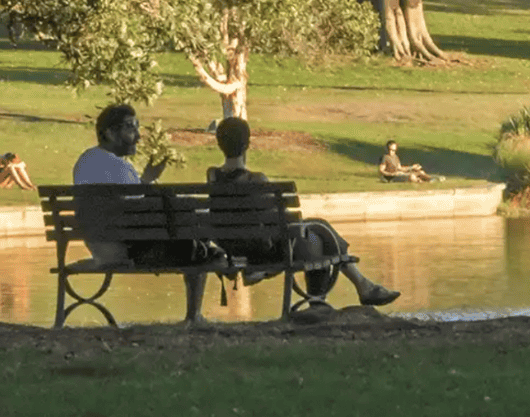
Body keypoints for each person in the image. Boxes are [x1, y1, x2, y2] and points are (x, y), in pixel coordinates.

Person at [208, 117, 400, 308]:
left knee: (318, 229)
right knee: (319, 238)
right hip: (269, 253)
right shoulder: (257, 180)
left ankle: (361, 287)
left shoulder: (213, 177)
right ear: (247, 144)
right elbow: (284, 221)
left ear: (219, 144)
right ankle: (331, 299)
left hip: (234, 253)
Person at [73, 103, 213, 322]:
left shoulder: (85, 161)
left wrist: (145, 182)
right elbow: (139, 212)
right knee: (198, 246)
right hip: (129, 251)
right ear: (109, 133)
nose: (138, 136)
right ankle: (193, 315)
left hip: (99, 247)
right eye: (131, 128)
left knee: (194, 241)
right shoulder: (119, 167)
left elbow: (130, 206)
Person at [378, 140, 443, 183]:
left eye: (393, 150)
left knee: (420, 172)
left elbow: (400, 168)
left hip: (399, 173)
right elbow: (381, 170)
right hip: (393, 177)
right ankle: (422, 181)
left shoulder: (395, 157)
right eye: (390, 150)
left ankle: (431, 179)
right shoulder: (385, 157)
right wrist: (391, 174)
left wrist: (412, 167)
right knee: (412, 176)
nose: (391, 152)